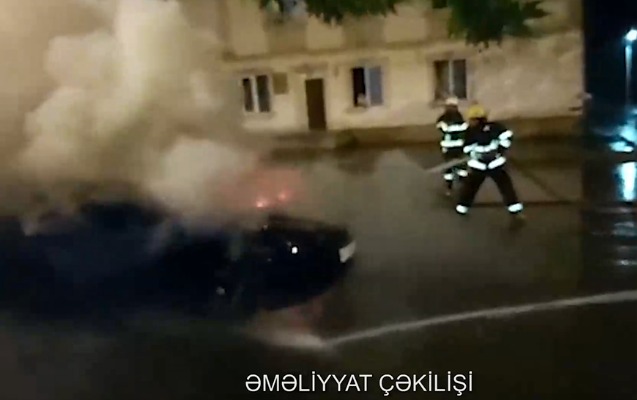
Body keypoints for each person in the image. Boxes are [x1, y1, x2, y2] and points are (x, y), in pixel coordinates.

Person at [455, 104, 525, 223]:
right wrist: (501, 150)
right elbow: (507, 137)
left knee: (471, 188)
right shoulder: (495, 127)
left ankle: (462, 208)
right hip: (494, 164)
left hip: (480, 166)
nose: (470, 122)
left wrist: (474, 153)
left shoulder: (471, 131)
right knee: (506, 188)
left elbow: (466, 147)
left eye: (471, 119)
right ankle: (515, 211)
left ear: (476, 119)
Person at [435, 97, 468, 195]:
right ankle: (457, 185)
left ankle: (453, 186)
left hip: (450, 147)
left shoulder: (444, 118)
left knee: (454, 167)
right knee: (457, 166)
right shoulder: (459, 117)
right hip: (457, 147)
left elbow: (441, 128)